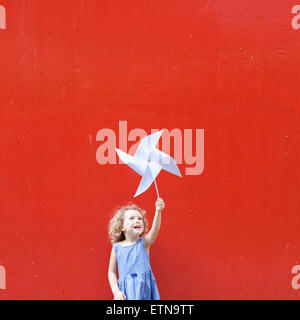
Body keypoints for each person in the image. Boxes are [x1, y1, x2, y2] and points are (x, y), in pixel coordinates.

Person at [108, 198, 165, 300]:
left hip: (144, 291)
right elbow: (111, 272)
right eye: (132, 218)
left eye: (140, 218)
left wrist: (158, 211)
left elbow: (155, 230)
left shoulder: (144, 243)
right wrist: (116, 292)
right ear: (121, 227)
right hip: (126, 293)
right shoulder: (117, 248)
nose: (137, 221)